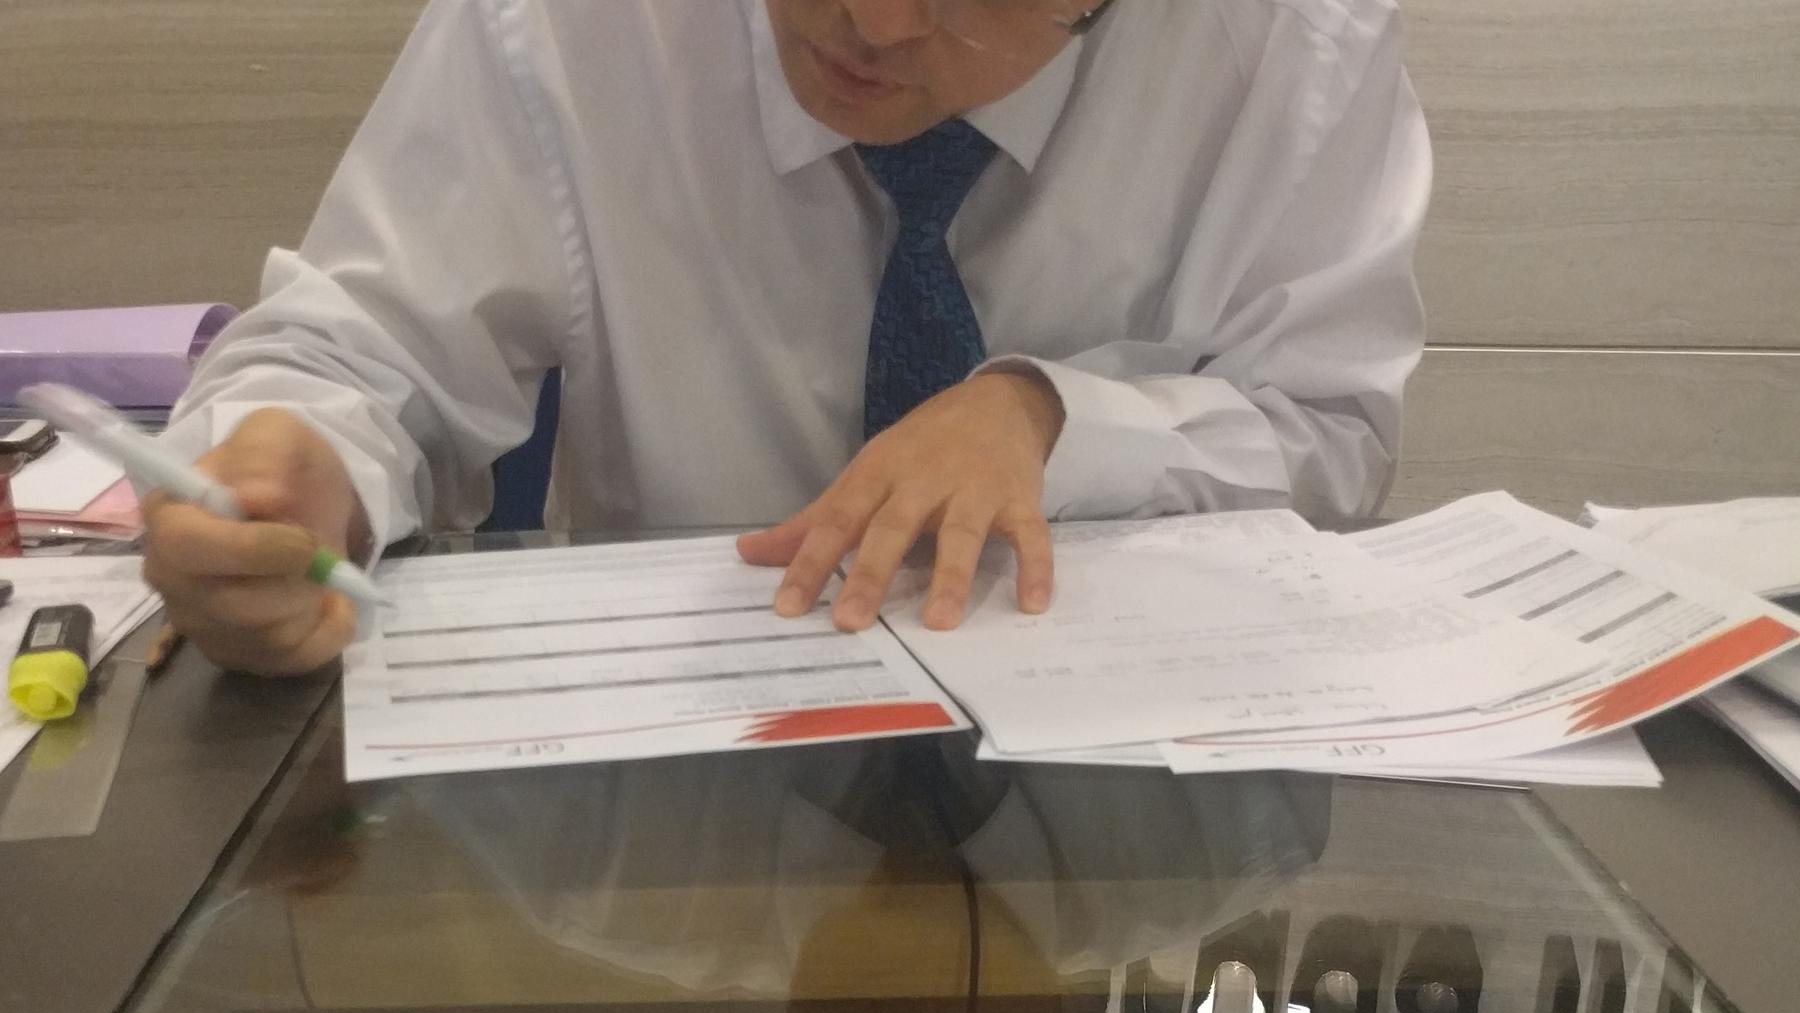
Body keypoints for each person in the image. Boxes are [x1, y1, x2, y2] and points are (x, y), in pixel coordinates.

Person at [145, 0, 1431, 675]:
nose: (873, 18)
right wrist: (299, 463)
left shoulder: (1291, 47)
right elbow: (354, 349)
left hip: (1121, 830)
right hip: (668, 841)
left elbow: (1328, 433)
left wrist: (1054, 422)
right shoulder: (574, 23)